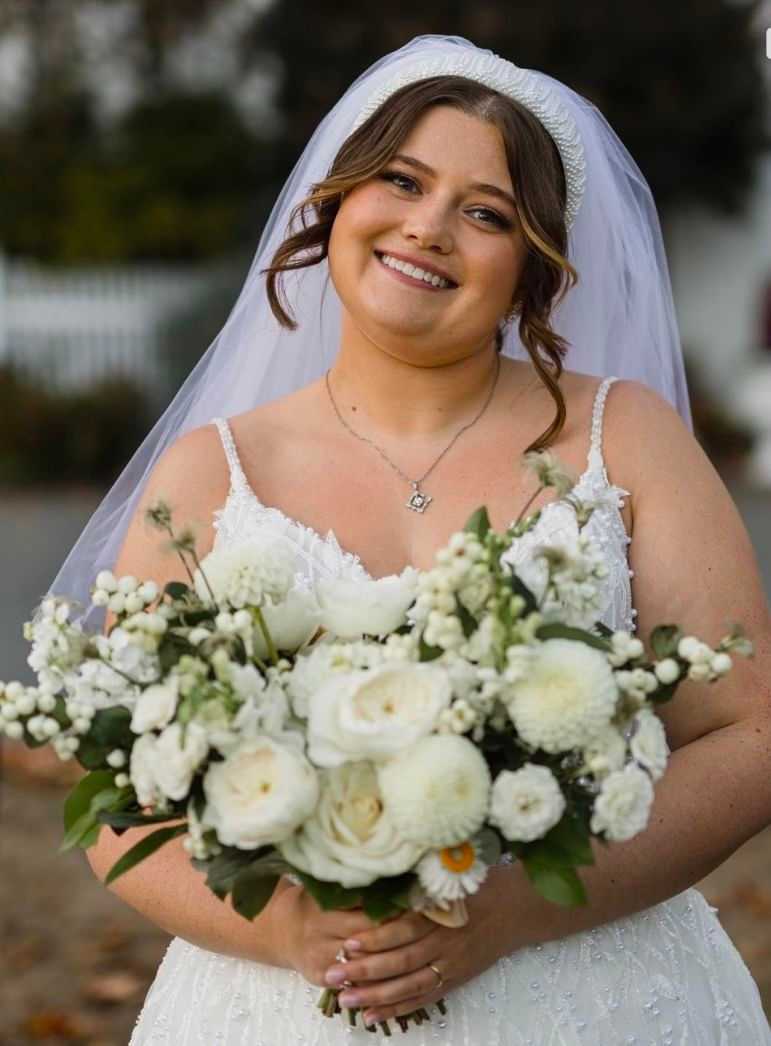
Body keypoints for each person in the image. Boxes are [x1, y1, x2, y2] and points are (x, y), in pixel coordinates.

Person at [52, 35, 771, 1044]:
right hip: (284, 1006)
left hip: (594, 997)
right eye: (402, 179)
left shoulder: (629, 438)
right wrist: (292, 934)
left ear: (533, 269)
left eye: (487, 213)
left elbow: (750, 732)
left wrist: (515, 911)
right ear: (339, 201)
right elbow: (120, 795)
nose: (428, 227)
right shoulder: (211, 476)